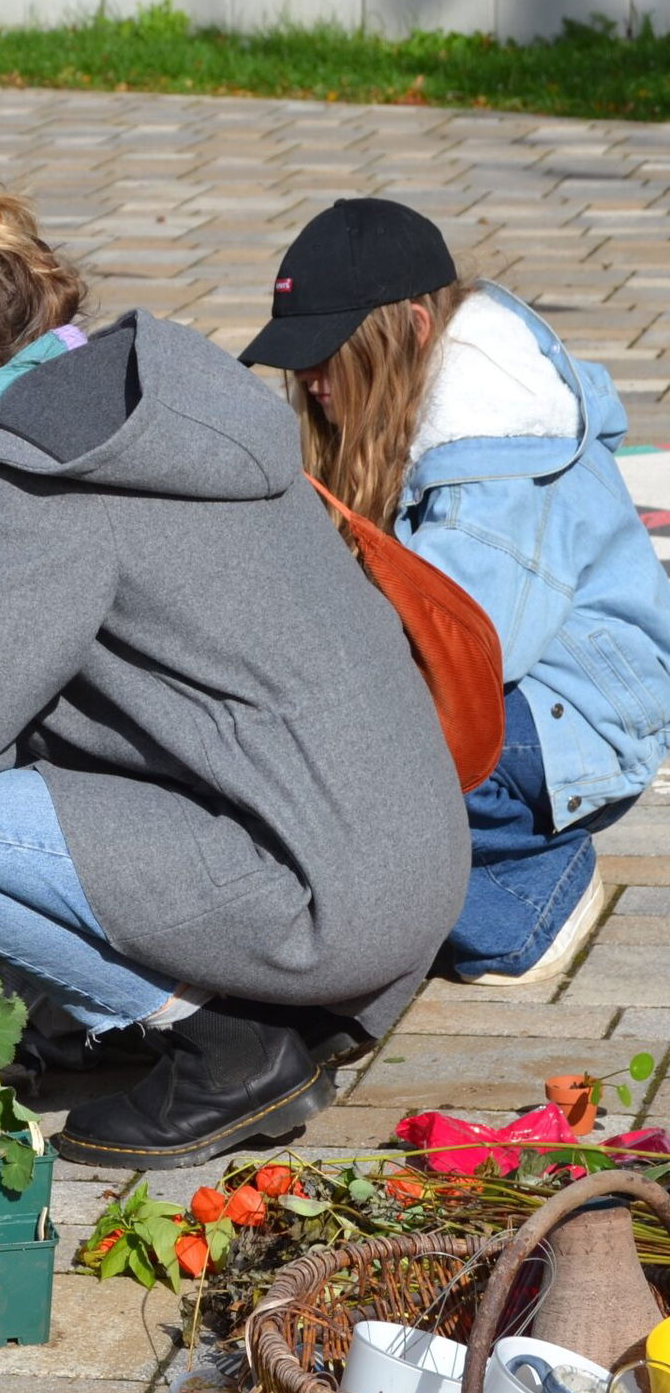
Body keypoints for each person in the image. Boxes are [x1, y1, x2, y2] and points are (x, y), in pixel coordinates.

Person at [0, 161, 469, 1171]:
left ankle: (225, 1043)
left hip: (322, 895)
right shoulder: (143, 409)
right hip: (403, 865)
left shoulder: (39, 478)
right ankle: (159, 1013)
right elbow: (107, 662)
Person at [242, 197, 670, 985]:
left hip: (580, 711)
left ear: (410, 329)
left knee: (334, 777)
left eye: (328, 350)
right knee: (309, 784)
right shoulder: (406, 397)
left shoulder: (494, 449)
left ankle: (523, 904)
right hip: (526, 686)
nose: (306, 375)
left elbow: (457, 653)